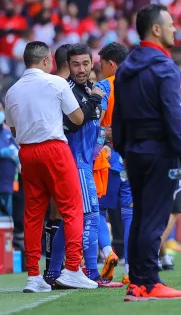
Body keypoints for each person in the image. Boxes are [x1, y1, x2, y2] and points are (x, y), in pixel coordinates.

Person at [113, 4, 181, 301]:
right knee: (154, 218)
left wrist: (124, 148)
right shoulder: (164, 66)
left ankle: (136, 282)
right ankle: (149, 281)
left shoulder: (125, 67)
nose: (175, 29)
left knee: (139, 217)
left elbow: (118, 114)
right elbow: (173, 115)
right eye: (171, 24)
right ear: (157, 29)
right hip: (160, 152)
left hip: (134, 151)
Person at [4, 41, 93, 292]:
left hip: (27, 152)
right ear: (46, 60)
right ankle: (73, 268)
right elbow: (77, 118)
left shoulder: (11, 91)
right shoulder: (56, 83)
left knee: (33, 214)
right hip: (54, 149)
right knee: (72, 208)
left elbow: (13, 129)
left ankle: (34, 276)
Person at [46, 43, 108, 288]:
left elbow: (94, 128)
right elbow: (73, 125)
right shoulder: (68, 90)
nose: (81, 69)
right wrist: (94, 100)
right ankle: (89, 272)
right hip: (74, 161)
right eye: (76, 64)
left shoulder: (88, 89)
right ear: (67, 66)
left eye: (85, 63)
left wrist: (102, 140)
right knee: (90, 215)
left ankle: (53, 272)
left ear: (92, 63)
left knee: (70, 219)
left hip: (85, 162)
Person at [93, 42, 131, 284]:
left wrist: (107, 132)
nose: (100, 68)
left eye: (101, 64)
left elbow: (96, 124)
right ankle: (131, 268)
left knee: (97, 210)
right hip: (133, 159)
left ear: (111, 64)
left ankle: (107, 252)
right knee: (130, 214)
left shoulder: (104, 86)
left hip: (108, 159)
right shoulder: (140, 85)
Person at [43, 43, 71, 279]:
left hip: (38, 151)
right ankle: (59, 267)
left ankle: (50, 268)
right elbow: (78, 118)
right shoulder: (62, 85)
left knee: (52, 211)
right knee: (67, 211)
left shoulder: (43, 85)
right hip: (62, 153)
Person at [0, 99, 18, 217]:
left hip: (7, 184)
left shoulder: (8, 133)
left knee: (7, 219)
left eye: (0, 109)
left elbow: (18, 150)